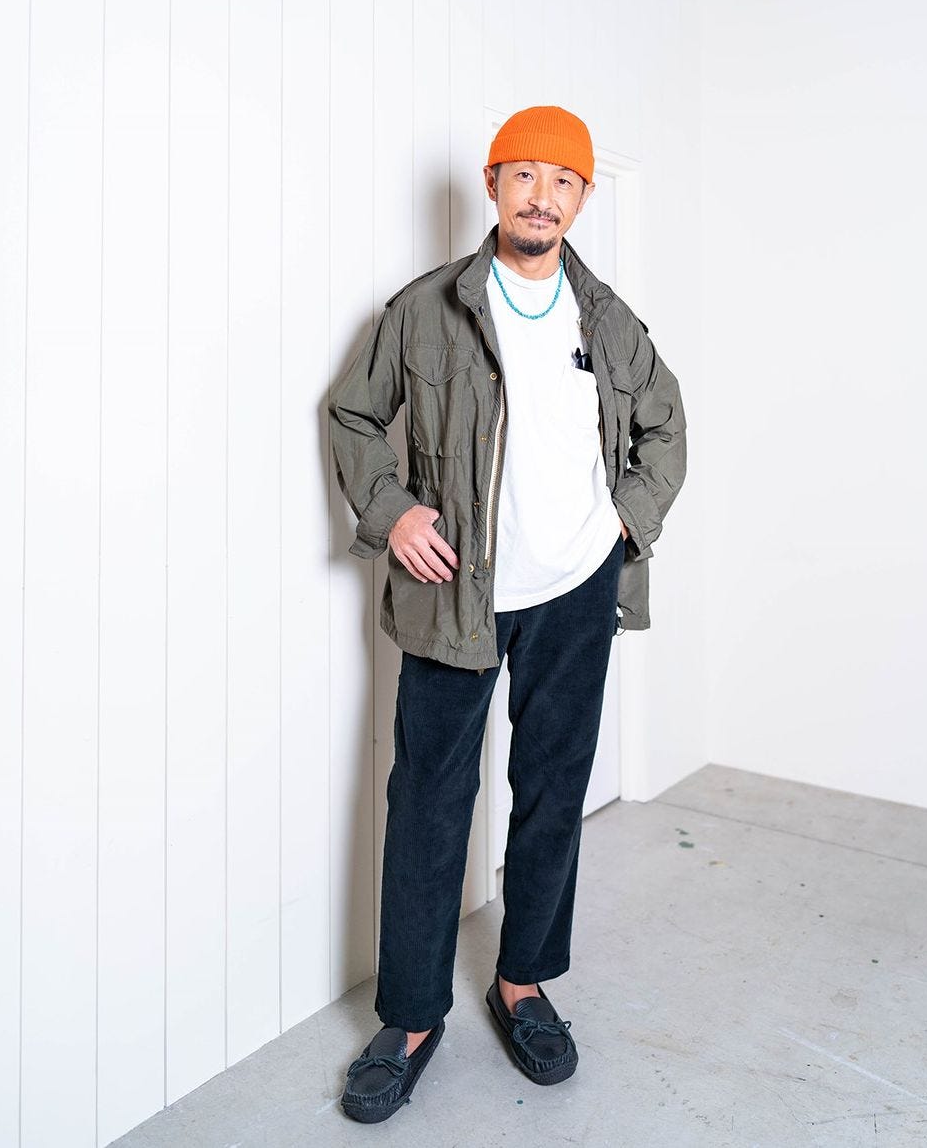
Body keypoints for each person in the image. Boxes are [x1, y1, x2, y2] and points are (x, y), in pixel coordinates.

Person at [329, 105, 686, 1122]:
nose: (541, 195)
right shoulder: (426, 310)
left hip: (575, 593)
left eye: (562, 179)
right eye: (523, 174)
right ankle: (409, 1015)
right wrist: (392, 513)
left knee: (550, 793)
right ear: (492, 186)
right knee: (430, 799)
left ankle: (523, 983)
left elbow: (666, 433)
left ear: (581, 198)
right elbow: (352, 414)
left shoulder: (610, 323)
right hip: (456, 591)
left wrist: (628, 525)